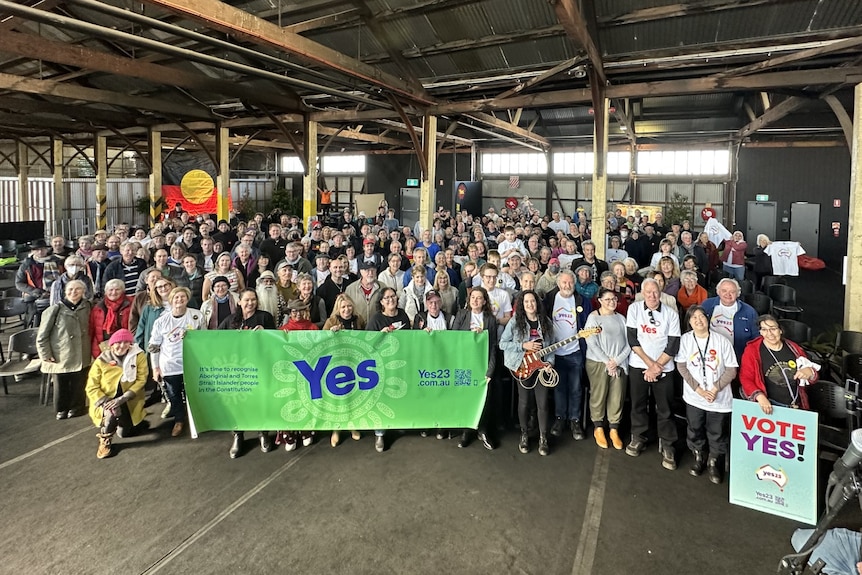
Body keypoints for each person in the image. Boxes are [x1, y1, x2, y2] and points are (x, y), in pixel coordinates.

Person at [675, 305, 738, 483]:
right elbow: (681, 366)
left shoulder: (722, 341)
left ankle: (714, 462)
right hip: (695, 396)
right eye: (693, 318)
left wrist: (714, 389)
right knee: (695, 428)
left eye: (701, 316)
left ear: (708, 319)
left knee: (716, 431)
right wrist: (699, 390)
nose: (698, 320)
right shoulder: (686, 340)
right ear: (689, 322)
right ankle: (698, 457)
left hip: (718, 397)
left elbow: (732, 369)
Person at [625, 278, 681, 470]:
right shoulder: (634, 309)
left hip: (665, 368)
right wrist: (650, 365)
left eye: (655, 291)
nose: (652, 295)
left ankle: (667, 444)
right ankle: (638, 437)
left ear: (661, 291)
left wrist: (657, 366)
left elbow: (673, 344)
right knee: (638, 404)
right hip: (639, 365)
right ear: (642, 292)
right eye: (648, 292)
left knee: (665, 408)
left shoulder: (671, 314)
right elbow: (632, 340)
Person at [219, 289, 275, 458]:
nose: (250, 303)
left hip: (260, 365)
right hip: (237, 369)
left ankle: (263, 433)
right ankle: (238, 435)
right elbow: (214, 339)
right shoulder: (230, 321)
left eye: (253, 300)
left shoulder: (265, 317)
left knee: (260, 400)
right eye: (247, 300)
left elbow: (276, 340)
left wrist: (264, 333)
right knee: (238, 403)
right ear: (239, 302)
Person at [499, 290, 554, 455]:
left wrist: (549, 363)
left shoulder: (546, 322)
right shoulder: (516, 321)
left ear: (537, 303)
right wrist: (523, 346)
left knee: (542, 403)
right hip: (522, 366)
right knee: (524, 402)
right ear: (522, 305)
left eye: (533, 301)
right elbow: (503, 343)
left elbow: (551, 345)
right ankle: (524, 434)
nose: (530, 304)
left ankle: (543, 437)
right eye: (527, 302)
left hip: (541, 368)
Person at [148, 286, 206, 437]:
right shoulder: (161, 321)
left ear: (187, 299)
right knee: (174, 396)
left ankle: (198, 420)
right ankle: (179, 421)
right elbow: (154, 346)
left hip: (192, 364)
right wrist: (155, 368)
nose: (180, 300)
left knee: (194, 394)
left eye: (183, 297)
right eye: (176, 297)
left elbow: (205, 339)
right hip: (170, 365)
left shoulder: (197, 316)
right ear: (171, 300)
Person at [85, 329, 148, 459]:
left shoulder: (139, 356)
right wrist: (105, 401)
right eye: (118, 343)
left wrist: (123, 398)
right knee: (111, 411)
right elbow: (91, 386)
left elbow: (142, 379)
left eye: (126, 342)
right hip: (107, 400)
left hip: (129, 399)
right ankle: (105, 439)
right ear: (111, 345)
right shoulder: (101, 360)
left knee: (125, 434)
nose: (122, 346)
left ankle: (131, 423)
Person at [542, 269, 590, 440]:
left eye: (570, 282)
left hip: (575, 351)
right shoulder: (549, 298)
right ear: (558, 283)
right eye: (564, 282)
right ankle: (560, 418)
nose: (567, 285)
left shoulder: (582, 301)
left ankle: (575, 420)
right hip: (555, 352)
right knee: (559, 388)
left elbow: (586, 324)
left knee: (576, 388)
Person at [740, 314, 820, 413]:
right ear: (760, 332)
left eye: (773, 329)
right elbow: (746, 378)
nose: (769, 334)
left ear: (780, 330)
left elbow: (813, 378)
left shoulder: (794, 348)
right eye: (764, 330)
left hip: (797, 404)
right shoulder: (752, 350)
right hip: (769, 406)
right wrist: (759, 396)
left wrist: (810, 372)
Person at [37, 279, 92, 420]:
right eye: (71, 289)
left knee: (79, 382)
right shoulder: (54, 310)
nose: (74, 292)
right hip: (60, 353)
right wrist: (45, 354)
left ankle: (76, 408)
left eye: (78, 289)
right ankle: (61, 410)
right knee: (61, 384)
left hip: (81, 353)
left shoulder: (88, 306)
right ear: (65, 291)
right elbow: (42, 335)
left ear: (83, 291)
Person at [365, 287, 412, 453]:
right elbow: (367, 344)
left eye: (393, 296)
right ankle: (380, 433)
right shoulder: (376, 319)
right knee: (382, 399)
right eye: (387, 298)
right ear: (381, 302)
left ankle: (397, 423)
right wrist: (380, 335)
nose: (391, 300)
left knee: (398, 394)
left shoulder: (402, 315)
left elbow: (410, 337)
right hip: (381, 366)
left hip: (400, 363)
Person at [584, 287, 630, 450]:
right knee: (599, 394)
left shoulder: (622, 319)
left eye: (614, 299)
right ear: (600, 300)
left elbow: (629, 343)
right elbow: (591, 342)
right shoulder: (593, 318)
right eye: (608, 299)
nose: (612, 302)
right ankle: (598, 427)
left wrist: (616, 361)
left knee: (617, 396)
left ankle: (614, 429)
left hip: (619, 363)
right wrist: (607, 361)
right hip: (597, 362)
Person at [452, 286, 497, 449]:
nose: (475, 300)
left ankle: (482, 430)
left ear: (484, 301)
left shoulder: (490, 320)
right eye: (473, 298)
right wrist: (471, 336)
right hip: (463, 364)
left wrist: (490, 370)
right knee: (465, 397)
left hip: (481, 366)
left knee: (483, 399)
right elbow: (453, 339)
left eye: (479, 298)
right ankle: (467, 430)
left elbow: (493, 346)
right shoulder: (462, 315)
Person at [701, 278, 760, 362]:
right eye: (724, 290)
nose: (728, 294)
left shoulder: (749, 311)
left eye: (732, 292)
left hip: (737, 355)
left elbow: (756, 338)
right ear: (718, 291)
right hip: (709, 352)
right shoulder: (707, 304)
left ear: (738, 294)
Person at [16, 238, 62, 327]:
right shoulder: (27, 264)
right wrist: (35, 292)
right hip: (34, 296)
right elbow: (19, 283)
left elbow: (63, 278)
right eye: (37, 250)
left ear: (47, 249)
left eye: (42, 249)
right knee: (36, 315)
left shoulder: (57, 261)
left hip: (55, 294)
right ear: (32, 251)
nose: (40, 252)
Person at [89, 278, 132, 358]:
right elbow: (92, 329)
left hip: (125, 345)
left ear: (123, 291)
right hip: (103, 347)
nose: (113, 292)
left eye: (117, 290)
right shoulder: (98, 308)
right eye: (110, 290)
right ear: (105, 292)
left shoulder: (131, 304)